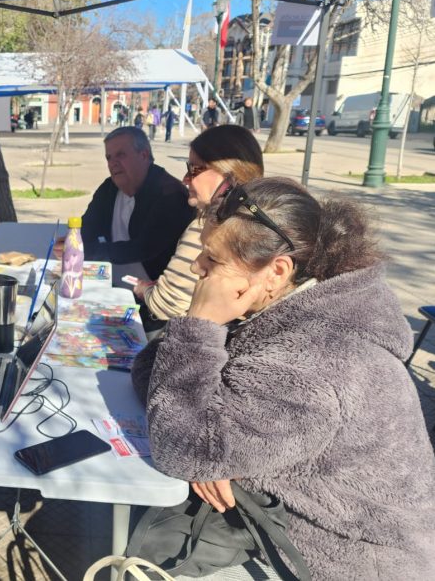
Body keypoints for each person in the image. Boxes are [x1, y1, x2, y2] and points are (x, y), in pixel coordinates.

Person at [131, 177, 435, 578]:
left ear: (276, 271)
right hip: (296, 526)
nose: (195, 266)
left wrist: (198, 325)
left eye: (212, 259)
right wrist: (212, 452)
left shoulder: (312, 362)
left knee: (145, 547)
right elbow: (151, 373)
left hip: (348, 562)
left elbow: (180, 447)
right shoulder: (297, 306)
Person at [131, 125, 263, 340]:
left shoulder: (209, 228)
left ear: (228, 174)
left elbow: (165, 305)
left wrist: (143, 289)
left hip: (191, 342)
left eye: (194, 169)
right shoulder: (254, 220)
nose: (185, 178)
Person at [77, 127, 195, 282]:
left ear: (144, 155)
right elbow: (87, 228)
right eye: (109, 157)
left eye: (121, 155)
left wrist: (85, 250)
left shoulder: (170, 194)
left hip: (153, 294)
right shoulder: (109, 188)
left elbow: (144, 248)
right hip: (109, 283)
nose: (113, 163)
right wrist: (73, 243)